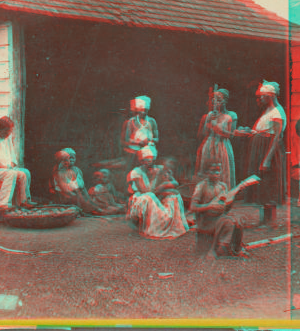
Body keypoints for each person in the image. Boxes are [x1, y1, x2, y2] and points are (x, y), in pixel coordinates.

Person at [236, 81, 286, 210]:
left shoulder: (277, 113)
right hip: (260, 147)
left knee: (267, 178)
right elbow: (262, 130)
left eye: (263, 96)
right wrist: (250, 132)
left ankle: (268, 213)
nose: (261, 98)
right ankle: (261, 206)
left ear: (271, 96)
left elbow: (276, 138)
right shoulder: (267, 110)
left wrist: (267, 159)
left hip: (267, 148)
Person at [189, 159, 249, 259]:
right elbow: (192, 207)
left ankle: (236, 249)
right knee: (227, 222)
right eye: (213, 171)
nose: (216, 174)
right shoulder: (201, 186)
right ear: (206, 172)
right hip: (205, 221)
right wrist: (209, 206)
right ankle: (220, 249)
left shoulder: (222, 186)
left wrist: (234, 196)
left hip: (218, 218)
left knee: (238, 220)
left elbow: (226, 209)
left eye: (218, 171)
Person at [126, 144, 189, 239]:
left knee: (173, 196)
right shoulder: (135, 173)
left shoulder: (159, 169)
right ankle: (148, 227)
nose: (147, 163)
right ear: (140, 161)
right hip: (141, 198)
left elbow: (174, 183)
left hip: (156, 196)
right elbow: (138, 191)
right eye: (144, 160)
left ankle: (167, 225)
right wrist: (156, 191)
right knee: (148, 197)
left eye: (149, 160)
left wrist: (164, 186)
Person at [195, 89, 236, 190]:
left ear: (224, 102)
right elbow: (203, 133)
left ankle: (222, 193)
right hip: (209, 144)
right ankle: (206, 193)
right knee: (208, 167)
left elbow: (230, 135)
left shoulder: (229, 116)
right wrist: (209, 121)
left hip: (222, 145)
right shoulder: (209, 115)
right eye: (214, 100)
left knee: (222, 168)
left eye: (218, 100)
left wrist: (216, 128)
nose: (215, 103)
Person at [50, 148, 104, 214]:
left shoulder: (77, 169)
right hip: (65, 194)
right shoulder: (60, 171)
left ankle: (91, 206)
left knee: (84, 194)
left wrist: (88, 198)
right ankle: (87, 209)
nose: (71, 160)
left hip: (78, 193)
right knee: (77, 195)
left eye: (73, 158)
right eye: (69, 158)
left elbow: (82, 186)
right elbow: (61, 187)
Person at [0, 116, 36, 209]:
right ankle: (3, 203)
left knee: (24, 173)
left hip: (6, 168)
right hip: (1, 169)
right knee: (11, 174)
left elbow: (12, 156)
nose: (8, 133)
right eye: (5, 131)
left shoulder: (7, 139)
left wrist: (12, 164)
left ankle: (23, 201)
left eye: (9, 131)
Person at [121, 96, 159, 176]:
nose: (143, 113)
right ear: (136, 110)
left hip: (148, 151)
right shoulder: (130, 122)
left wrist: (148, 142)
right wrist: (137, 143)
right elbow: (124, 141)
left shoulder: (151, 121)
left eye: (145, 110)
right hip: (133, 151)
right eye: (141, 110)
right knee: (132, 170)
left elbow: (156, 138)